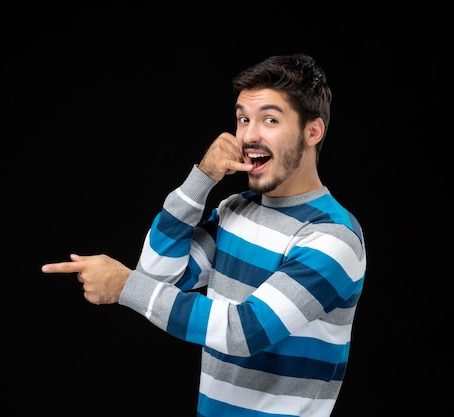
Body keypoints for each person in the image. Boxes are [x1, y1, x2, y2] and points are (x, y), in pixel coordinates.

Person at [41, 53, 367, 417]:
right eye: (243, 118)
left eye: (270, 119)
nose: (249, 135)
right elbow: (157, 273)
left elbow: (245, 331)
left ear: (313, 131)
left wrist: (122, 286)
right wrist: (203, 178)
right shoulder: (235, 209)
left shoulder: (333, 237)